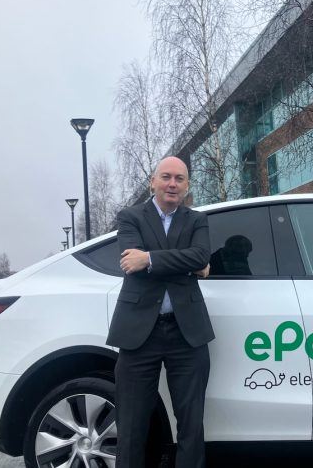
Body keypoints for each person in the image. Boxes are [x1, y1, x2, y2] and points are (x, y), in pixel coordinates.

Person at [106, 156, 213, 468]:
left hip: (187, 333)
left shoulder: (197, 220)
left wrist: (149, 258)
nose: (172, 184)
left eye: (179, 179)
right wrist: (190, 265)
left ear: (187, 185)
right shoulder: (130, 217)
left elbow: (201, 255)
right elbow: (131, 264)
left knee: (191, 425)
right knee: (131, 425)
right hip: (140, 333)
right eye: (166, 177)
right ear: (152, 181)